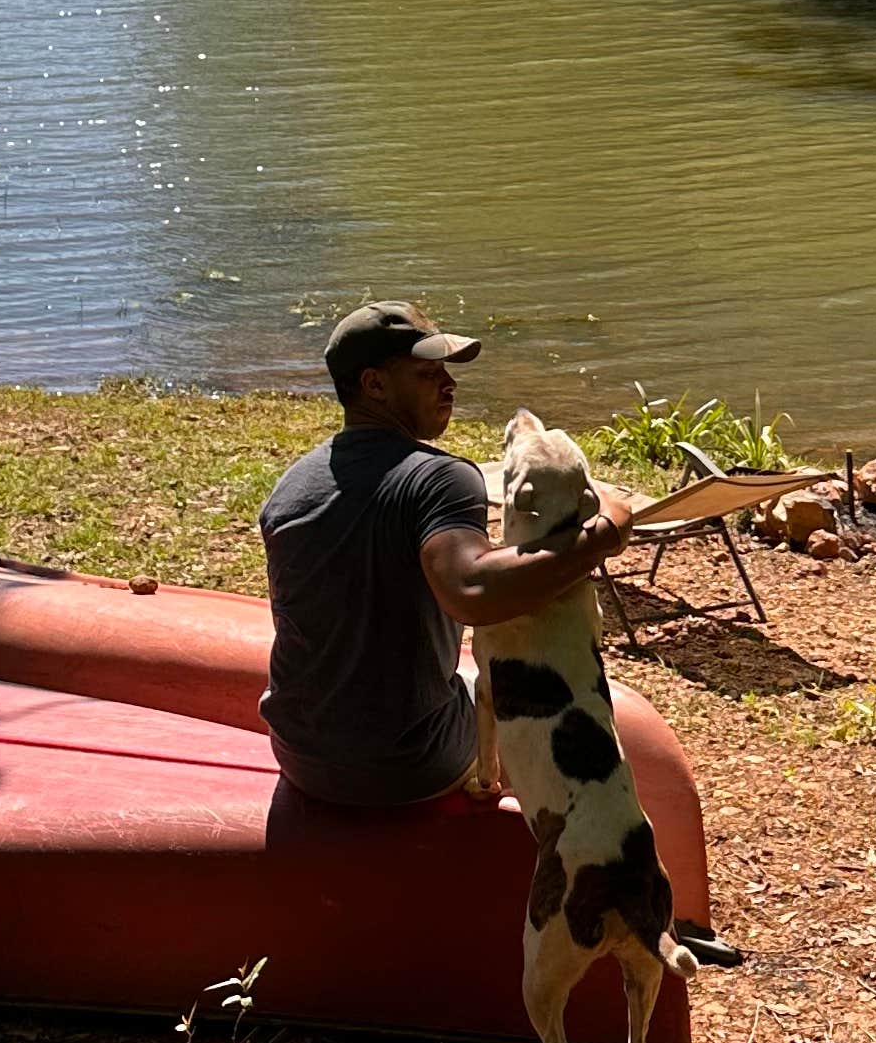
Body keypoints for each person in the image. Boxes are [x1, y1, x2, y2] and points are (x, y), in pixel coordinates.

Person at [258, 301, 630, 810]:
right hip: (409, 764)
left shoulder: (291, 486)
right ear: (375, 385)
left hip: (299, 754)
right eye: (428, 373)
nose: (449, 385)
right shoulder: (440, 477)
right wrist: (604, 535)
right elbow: (472, 590)